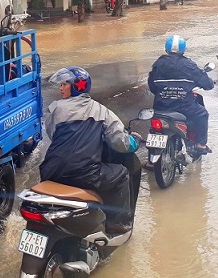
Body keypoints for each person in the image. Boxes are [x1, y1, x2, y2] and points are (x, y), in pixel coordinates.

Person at [39, 66, 141, 235]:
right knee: (122, 173)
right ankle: (117, 223)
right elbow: (121, 143)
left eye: (65, 84)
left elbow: (51, 134)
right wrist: (135, 140)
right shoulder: (102, 112)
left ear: (76, 86)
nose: (61, 87)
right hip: (83, 174)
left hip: (50, 172)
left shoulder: (55, 108)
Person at [148, 35, 214, 153]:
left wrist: (164, 94)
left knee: (154, 129)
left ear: (166, 48)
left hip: (160, 107)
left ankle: (150, 163)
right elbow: (206, 83)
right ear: (183, 49)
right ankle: (201, 145)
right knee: (202, 114)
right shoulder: (189, 65)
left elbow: (152, 86)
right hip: (184, 107)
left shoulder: (158, 64)